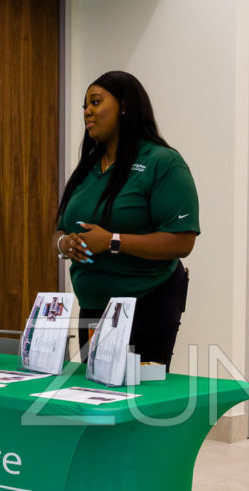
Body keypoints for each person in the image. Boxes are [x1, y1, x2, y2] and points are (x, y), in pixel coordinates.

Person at [53, 71, 198, 370]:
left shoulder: (162, 162)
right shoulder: (88, 167)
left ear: (124, 106)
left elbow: (182, 240)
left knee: (137, 401)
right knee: (96, 395)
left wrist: (112, 241)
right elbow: (60, 227)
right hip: (93, 305)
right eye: (84, 106)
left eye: (95, 102)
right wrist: (64, 244)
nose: (87, 112)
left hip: (146, 303)